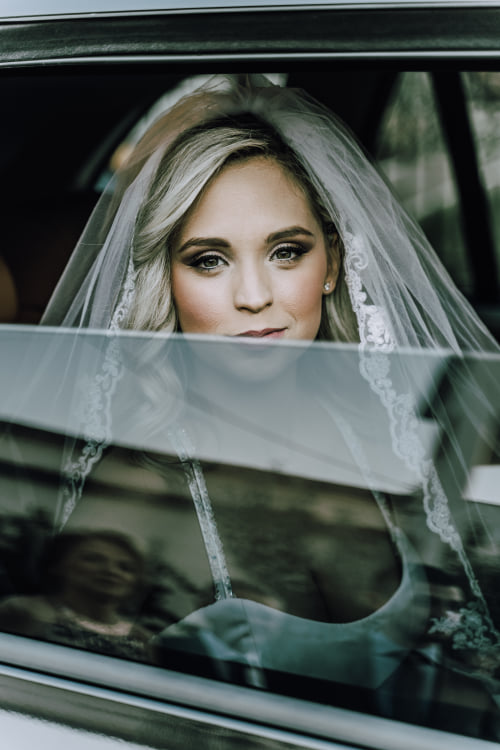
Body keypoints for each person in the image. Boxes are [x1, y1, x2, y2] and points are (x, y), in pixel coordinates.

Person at [35, 76, 500, 731]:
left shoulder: (392, 429)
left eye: (287, 252)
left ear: (331, 263)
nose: (254, 296)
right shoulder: (135, 493)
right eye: (208, 260)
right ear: (165, 278)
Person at [0, 530, 152, 661]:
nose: (111, 571)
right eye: (93, 559)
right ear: (57, 565)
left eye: (125, 568)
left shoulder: (142, 638)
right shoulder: (25, 611)